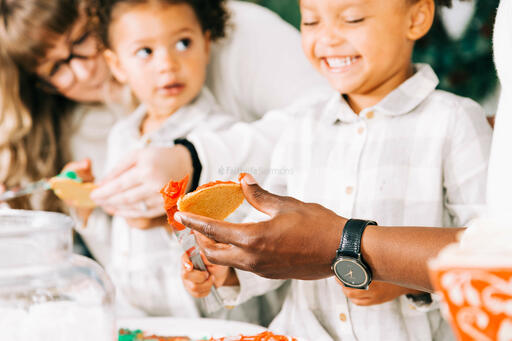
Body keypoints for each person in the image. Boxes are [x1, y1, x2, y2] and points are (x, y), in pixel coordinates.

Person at [179, 0, 493, 339]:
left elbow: (490, 251)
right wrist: (231, 269)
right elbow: (275, 239)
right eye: (311, 22)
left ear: (416, 18)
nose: (327, 38)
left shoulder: (454, 122)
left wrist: (409, 285)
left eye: (352, 19)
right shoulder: (299, 127)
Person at [0, 0, 326, 261]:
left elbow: (328, 118)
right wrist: (91, 213)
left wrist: (194, 161)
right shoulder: (90, 130)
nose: (85, 71)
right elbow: (122, 256)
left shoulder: (230, 33)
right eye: (57, 68)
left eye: (82, 39)